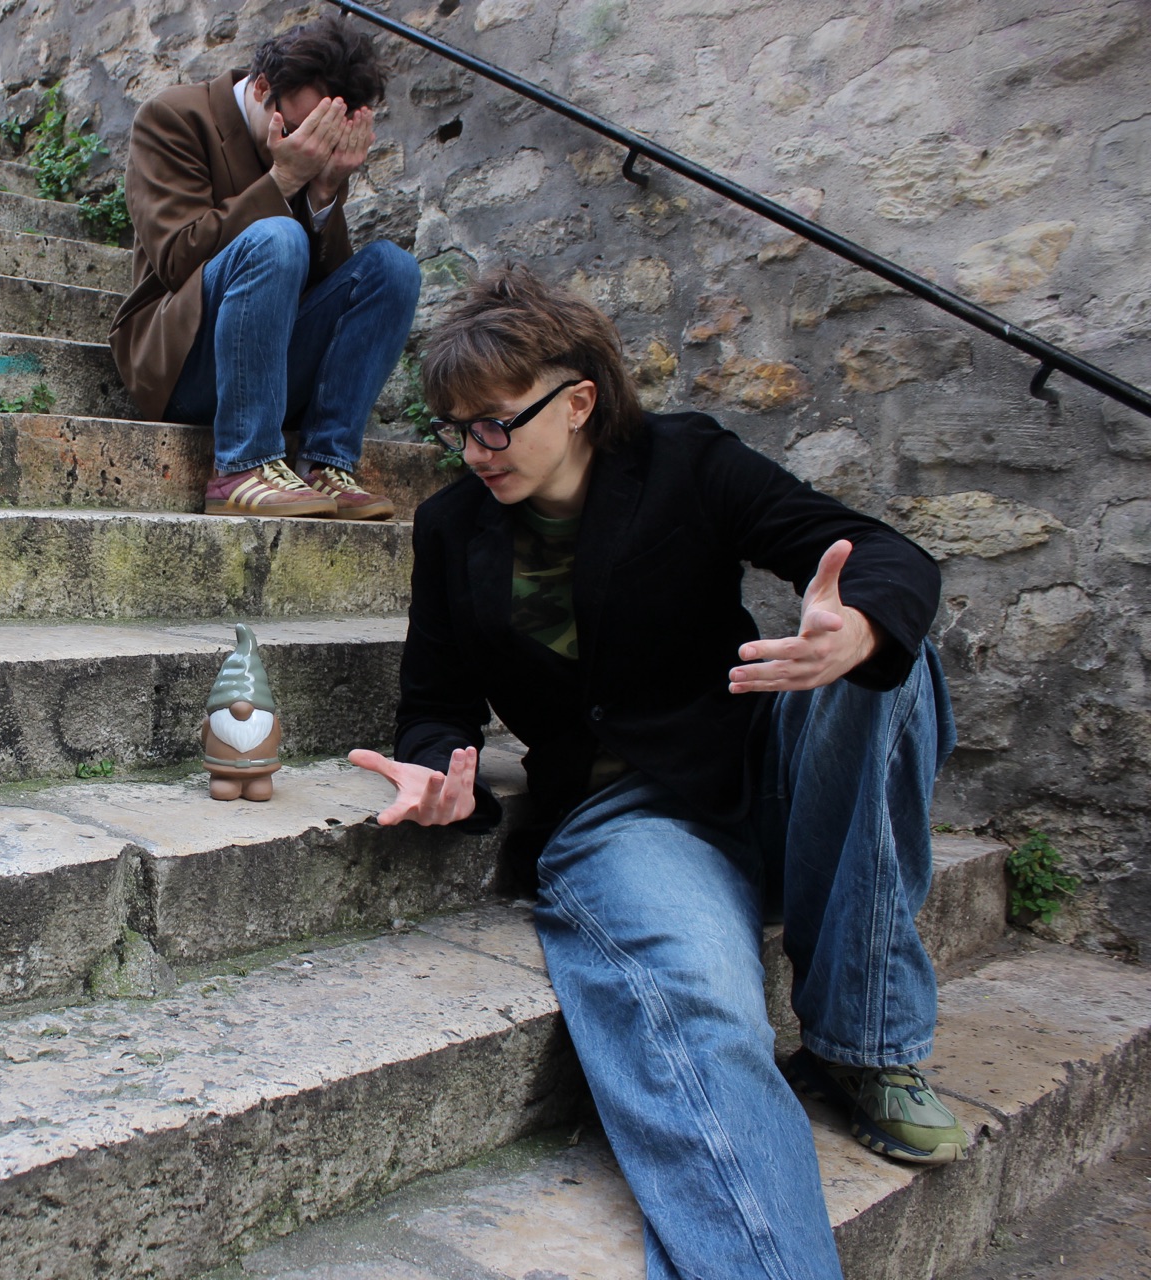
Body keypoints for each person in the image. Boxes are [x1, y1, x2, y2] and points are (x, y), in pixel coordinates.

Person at [350, 264, 967, 1280]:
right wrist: (436, 772)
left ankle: (863, 1041)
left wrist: (856, 626)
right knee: (712, 1007)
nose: (475, 449)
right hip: (625, 817)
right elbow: (435, 701)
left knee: (893, 664)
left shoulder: (686, 461)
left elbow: (887, 556)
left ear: (580, 399)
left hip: (758, 771)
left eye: (496, 423)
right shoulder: (453, 525)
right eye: (458, 427)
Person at [113, 16, 421, 519]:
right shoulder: (174, 116)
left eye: (326, 138)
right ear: (261, 89)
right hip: (185, 367)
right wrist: (281, 182)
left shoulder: (306, 160)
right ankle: (241, 467)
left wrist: (323, 192)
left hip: (272, 364)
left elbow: (331, 296)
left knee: (393, 267)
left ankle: (326, 465)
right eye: (301, 130)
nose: (309, 147)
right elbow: (175, 259)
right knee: (277, 236)